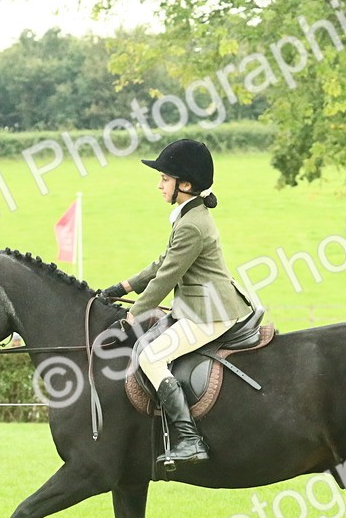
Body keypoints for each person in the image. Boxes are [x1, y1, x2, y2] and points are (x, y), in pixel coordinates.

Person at [98, 139, 252, 466]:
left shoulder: (193, 225)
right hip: (196, 307)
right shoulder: (188, 216)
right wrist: (122, 286)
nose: (159, 185)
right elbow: (162, 262)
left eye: (164, 179)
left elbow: (166, 277)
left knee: (151, 358)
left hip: (210, 313)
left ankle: (190, 440)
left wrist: (132, 315)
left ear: (185, 185)